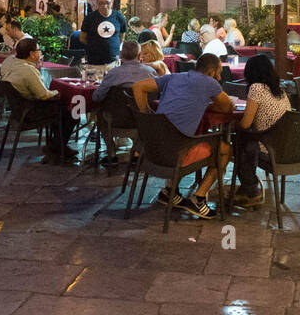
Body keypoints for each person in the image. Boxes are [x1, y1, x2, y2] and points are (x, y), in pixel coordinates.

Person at [131, 53, 233, 219]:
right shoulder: (210, 83)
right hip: (176, 154)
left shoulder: (173, 78)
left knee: (183, 132)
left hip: (152, 150)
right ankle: (198, 199)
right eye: (219, 72)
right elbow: (227, 107)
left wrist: (146, 114)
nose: (220, 76)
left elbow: (138, 87)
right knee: (225, 150)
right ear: (212, 71)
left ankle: (169, 191)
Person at [0, 37, 78, 160]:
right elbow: (43, 95)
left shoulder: (10, 61)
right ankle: (56, 146)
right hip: (30, 111)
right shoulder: (28, 70)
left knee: (61, 109)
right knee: (73, 111)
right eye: (39, 50)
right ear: (31, 54)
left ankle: (57, 145)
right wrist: (58, 92)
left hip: (17, 109)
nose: (40, 53)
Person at [231, 54, 289, 208]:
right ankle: (248, 188)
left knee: (239, 140)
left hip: (269, 147)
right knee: (245, 139)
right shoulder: (280, 90)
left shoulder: (257, 88)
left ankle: (250, 191)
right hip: (286, 146)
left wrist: (233, 126)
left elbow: (246, 124)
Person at [93, 40, 157, 103]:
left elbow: (97, 97)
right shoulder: (151, 72)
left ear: (121, 55)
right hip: (146, 112)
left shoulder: (113, 74)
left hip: (117, 112)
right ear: (140, 55)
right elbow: (157, 95)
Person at [80, 0, 128, 65]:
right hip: (94, 62)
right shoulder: (89, 18)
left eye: (107, 3)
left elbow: (122, 37)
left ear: (112, 2)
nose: (105, 6)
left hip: (113, 62)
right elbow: (82, 38)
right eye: (101, 3)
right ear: (97, 3)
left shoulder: (119, 17)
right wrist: (94, 46)